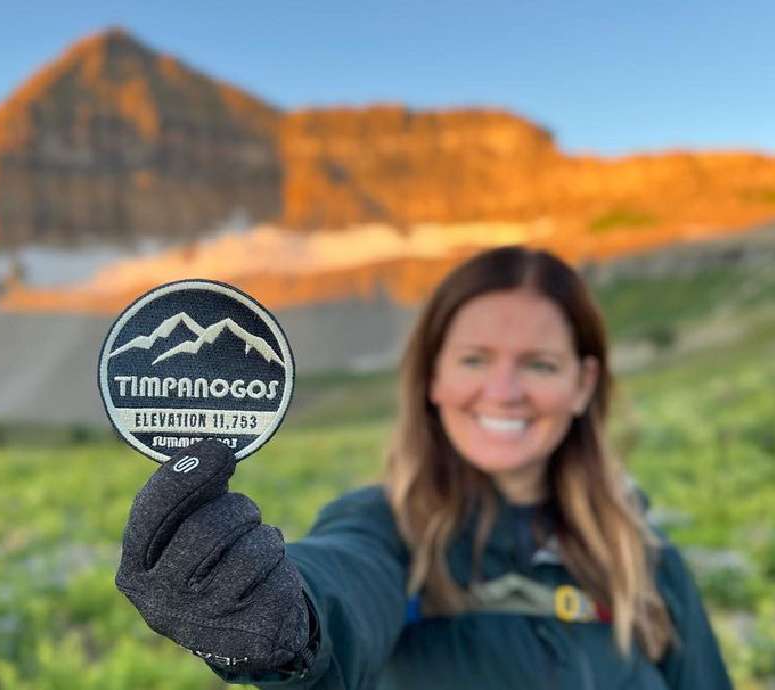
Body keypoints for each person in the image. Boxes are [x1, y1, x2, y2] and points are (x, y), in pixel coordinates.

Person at [116, 246, 735, 689]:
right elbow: (342, 580)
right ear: (433, 377)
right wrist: (285, 615)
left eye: (540, 365)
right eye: (474, 359)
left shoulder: (646, 560)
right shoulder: (385, 529)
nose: (504, 390)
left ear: (583, 383)